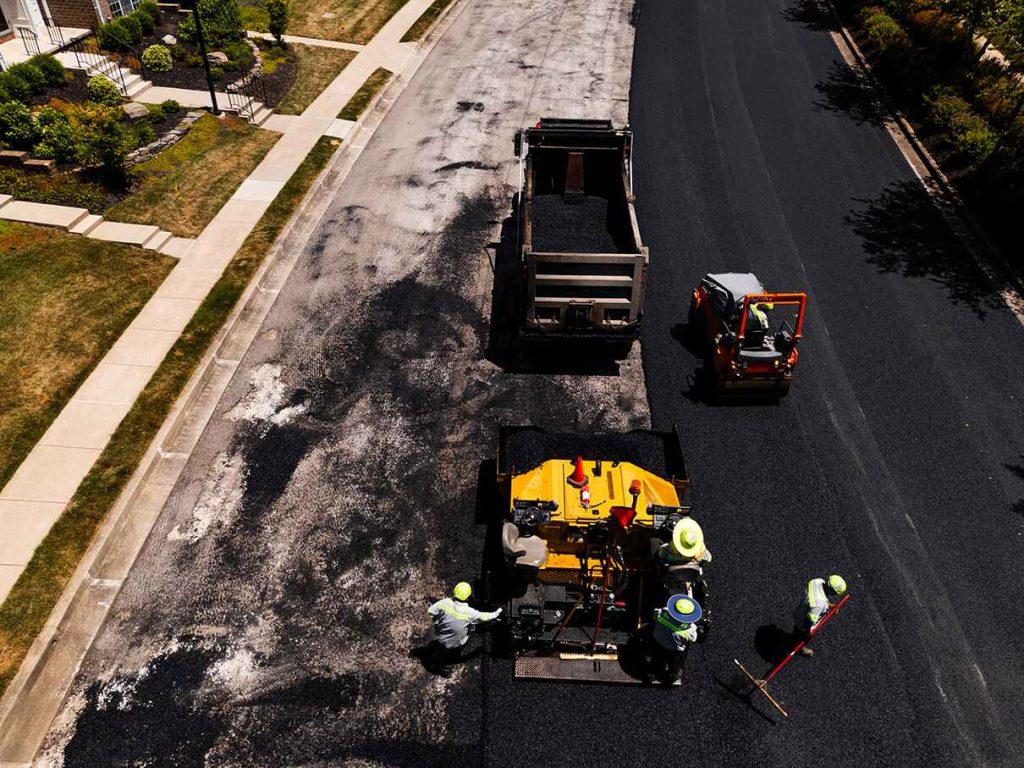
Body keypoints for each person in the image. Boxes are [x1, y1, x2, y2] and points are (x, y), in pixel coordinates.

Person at [427, 581, 502, 676]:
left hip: (442, 639)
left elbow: (431, 611)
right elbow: (483, 616)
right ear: (467, 598)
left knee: (441, 651)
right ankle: (445, 671)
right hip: (457, 644)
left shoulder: (445, 603)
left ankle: (437, 660)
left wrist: (437, 623)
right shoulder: (469, 612)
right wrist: (495, 614)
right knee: (451, 658)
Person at [649, 595, 702, 685]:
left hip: (657, 641)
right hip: (672, 650)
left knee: (657, 658)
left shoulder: (662, 612)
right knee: (675, 663)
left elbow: (655, 616)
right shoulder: (690, 630)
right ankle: (672, 676)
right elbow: (693, 639)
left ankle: (655, 671)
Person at [793, 574, 847, 656]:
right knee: (802, 636)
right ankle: (799, 648)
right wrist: (808, 631)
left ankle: (794, 638)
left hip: (800, 610)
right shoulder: (819, 604)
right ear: (831, 590)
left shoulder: (817, 581)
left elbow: (816, 597)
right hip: (804, 622)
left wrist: (828, 604)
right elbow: (810, 619)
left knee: (797, 630)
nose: (835, 595)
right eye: (835, 593)